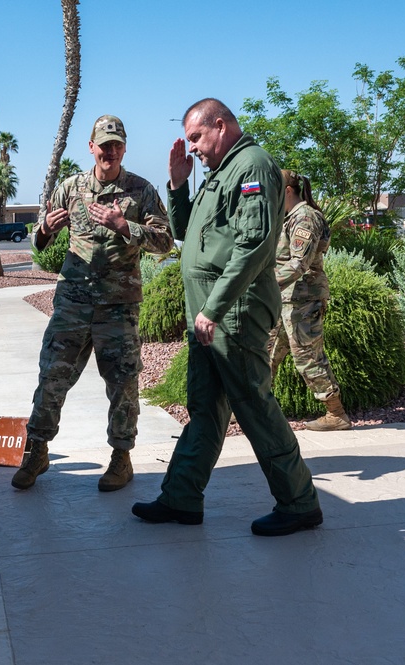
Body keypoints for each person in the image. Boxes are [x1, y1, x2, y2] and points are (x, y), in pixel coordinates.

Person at [131, 98, 323, 536]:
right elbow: (185, 234)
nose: (193, 147)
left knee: (253, 405)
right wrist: (179, 186)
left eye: (197, 137)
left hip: (233, 310)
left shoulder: (252, 165)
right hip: (209, 311)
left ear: (220, 125)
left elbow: (252, 246)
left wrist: (214, 309)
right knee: (205, 408)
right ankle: (181, 498)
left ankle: (299, 502)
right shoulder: (220, 173)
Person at [12, 115, 174, 492]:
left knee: (122, 384)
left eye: (117, 144)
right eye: (104, 145)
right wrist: (45, 231)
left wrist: (125, 227)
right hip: (72, 303)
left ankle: (121, 459)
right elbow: (38, 243)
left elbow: (165, 242)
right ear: (91, 147)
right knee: (52, 376)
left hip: (118, 306)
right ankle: (36, 451)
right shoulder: (70, 187)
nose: (110, 151)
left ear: (124, 148)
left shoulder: (141, 190)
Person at [268, 170, 351, 431]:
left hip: (302, 298)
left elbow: (298, 264)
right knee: (265, 353)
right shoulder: (289, 217)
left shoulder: (305, 218)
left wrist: (263, 285)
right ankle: (252, 410)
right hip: (284, 298)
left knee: (307, 356)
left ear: (288, 192)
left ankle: (336, 413)